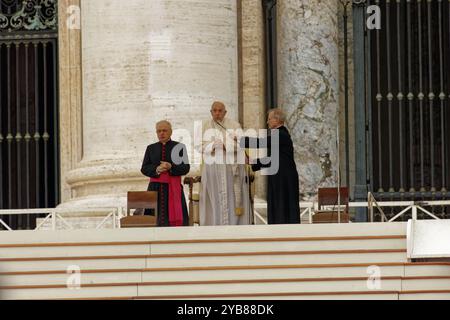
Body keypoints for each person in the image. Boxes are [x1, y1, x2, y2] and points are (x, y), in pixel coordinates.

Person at [241, 108, 300, 224]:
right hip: (279, 177)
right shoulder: (279, 134)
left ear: (276, 120)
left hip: (284, 179)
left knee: (283, 209)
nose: (267, 122)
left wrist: (241, 140)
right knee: (278, 208)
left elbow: (261, 143)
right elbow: (272, 159)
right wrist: (252, 161)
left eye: (269, 119)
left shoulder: (281, 134)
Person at [199, 101, 252, 226]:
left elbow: (241, 143)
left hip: (231, 169)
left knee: (231, 198)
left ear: (225, 112)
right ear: (211, 112)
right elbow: (198, 146)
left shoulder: (234, 125)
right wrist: (212, 145)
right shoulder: (205, 125)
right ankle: (214, 226)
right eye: (215, 110)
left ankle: (235, 226)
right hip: (212, 169)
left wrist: (224, 145)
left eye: (220, 110)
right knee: (215, 198)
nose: (217, 113)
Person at [141, 121, 190, 227]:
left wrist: (171, 167)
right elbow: (144, 168)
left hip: (173, 188)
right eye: (159, 131)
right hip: (155, 189)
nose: (161, 133)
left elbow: (186, 168)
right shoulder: (151, 148)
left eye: (164, 130)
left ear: (171, 132)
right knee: (153, 221)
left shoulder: (179, 147)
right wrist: (157, 169)